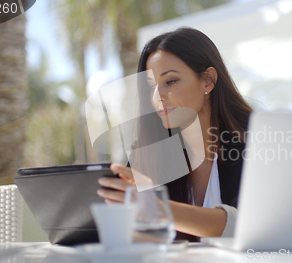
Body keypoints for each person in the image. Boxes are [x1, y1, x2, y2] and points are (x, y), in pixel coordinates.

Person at [97, 27, 252, 241]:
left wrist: (158, 208)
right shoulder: (148, 155)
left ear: (207, 81)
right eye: (150, 86)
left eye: (170, 81)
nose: (157, 97)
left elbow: (250, 226)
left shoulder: (257, 144)